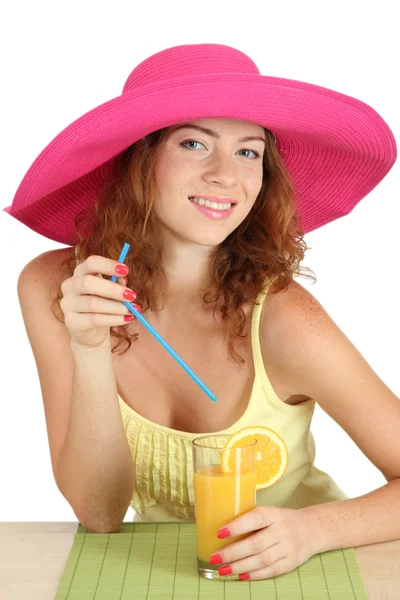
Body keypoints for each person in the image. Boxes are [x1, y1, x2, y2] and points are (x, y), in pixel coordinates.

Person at [5, 43, 400, 581]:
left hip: (300, 571)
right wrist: (89, 348)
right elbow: (98, 514)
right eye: (193, 143)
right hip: (160, 572)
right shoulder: (60, 287)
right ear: (135, 161)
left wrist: (313, 531)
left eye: (248, 152)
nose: (225, 175)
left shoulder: (285, 320)